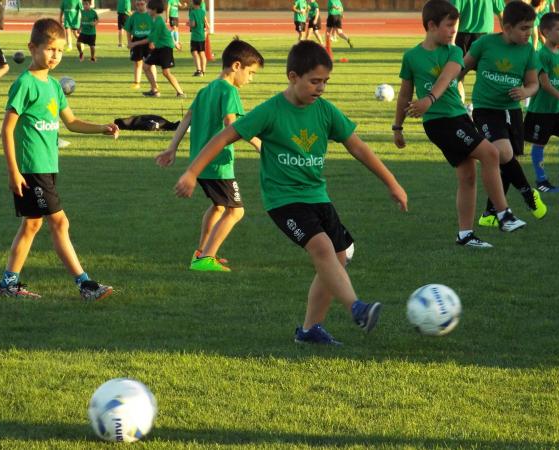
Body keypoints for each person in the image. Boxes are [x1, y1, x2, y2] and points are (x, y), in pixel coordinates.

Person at [175, 40, 408, 345]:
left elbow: (358, 147)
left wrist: (392, 182)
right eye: (314, 81)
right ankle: (357, 308)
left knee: (338, 258)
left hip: (318, 196)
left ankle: (310, 330)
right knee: (323, 250)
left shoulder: (325, 111)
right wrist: (192, 172)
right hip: (284, 201)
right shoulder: (270, 111)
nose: (321, 88)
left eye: (325, 82)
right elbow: (224, 137)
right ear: (293, 77)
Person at [0, 18, 118, 300]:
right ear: (32, 47)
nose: (55, 56)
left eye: (60, 50)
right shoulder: (25, 84)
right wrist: (14, 171)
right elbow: (7, 128)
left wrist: (102, 128)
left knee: (32, 224)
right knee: (59, 223)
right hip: (32, 168)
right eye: (50, 49)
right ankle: (85, 284)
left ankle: (8, 284)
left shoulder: (53, 86)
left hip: (48, 167)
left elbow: (72, 122)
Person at [395, 0, 526, 249]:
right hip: (440, 122)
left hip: (459, 117)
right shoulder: (411, 57)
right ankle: (503, 214)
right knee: (490, 153)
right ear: (431, 26)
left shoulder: (454, 51)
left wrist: (429, 99)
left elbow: (447, 77)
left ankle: (465, 235)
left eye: (455, 27)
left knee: (467, 175)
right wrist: (397, 127)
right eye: (450, 26)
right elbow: (404, 94)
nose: (454, 31)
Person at [156, 39, 264, 271]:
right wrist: (258, 143)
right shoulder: (229, 90)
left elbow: (187, 118)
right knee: (236, 211)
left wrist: (172, 148)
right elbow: (231, 123)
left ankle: (201, 252)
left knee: (218, 207)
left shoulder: (206, 89)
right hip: (218, 163)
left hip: (200, 161)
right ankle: (206, 259)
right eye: (251, 73)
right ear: (236, 66)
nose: (250, 79)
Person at [461, 0, 547, 227]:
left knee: (508, 160)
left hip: (512, 111)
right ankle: (529, 194)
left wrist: (525, 91)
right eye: (524, 28)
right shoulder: (485, 43)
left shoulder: (528, 50)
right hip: (486, 109)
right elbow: (462, 68)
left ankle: (490, 213)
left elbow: (533, 83)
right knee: (503, 152)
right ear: (507, 27)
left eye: (531, 27)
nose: (529, 33)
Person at [524, 11, 559, 191]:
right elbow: (545, 84)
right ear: (546, 32)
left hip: (555, 109)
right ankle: (541, 181)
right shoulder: (542, 54)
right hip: (541, 110)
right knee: (540, 143)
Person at [451, 0, 505, 104]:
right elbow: (502, 15)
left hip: (462, 36)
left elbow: (455, 16)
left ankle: (461, 107)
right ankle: (482, 105)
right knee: (485, 74)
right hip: (485, 36)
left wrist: (452, 40)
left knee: (458, 75)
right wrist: (507, 37)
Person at [130, 0, 185, 98]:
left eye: (149, 8)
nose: (147, 10)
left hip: (165, 48)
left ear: (154, 10)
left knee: (166, 72)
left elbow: (150, 39)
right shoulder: (154, 19)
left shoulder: (158, 21)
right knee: (146, 66)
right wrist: (175, 42)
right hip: (159, 47)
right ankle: (154, 90)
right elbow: (166, 32)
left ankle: (180, 92)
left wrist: (134, 43)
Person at [124, 0, 154, 89]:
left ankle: (154, 82)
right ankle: (137, 82)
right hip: (136, 40)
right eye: (137, 4)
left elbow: (155, 30)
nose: (140, 6)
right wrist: (129, 42)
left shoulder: (151, 15)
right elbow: (128, 30)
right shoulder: (133, 16)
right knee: (137, 62)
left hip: (149, 41)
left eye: (142, 4)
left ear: (146, 4)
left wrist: (153, 42)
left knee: (151, 63)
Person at [189, 0, 209, 76]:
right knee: (202, 53)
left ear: (193, 3)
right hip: (202, 35)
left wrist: (188, 24)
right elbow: (204, 21)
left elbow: (193, 24)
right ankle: (203, 71)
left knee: (194, 52)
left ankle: (198, 70)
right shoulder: (202, 11)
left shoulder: (192, 12)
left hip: (195, 36)